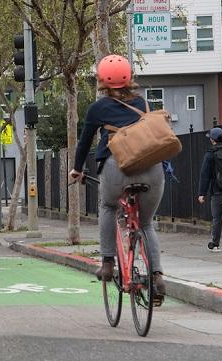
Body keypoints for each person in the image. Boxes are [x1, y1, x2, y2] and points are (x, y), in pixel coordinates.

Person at [69, 54, 166, 305]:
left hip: (117, 166)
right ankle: (157, 278)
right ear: (129, 78)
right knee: (146, 224)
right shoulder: (142, 103)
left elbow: (83, 143)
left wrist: (77, 169)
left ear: (101, 80)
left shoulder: (98, 108)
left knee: (108, 207)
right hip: (152, 167)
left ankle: (108, 262)